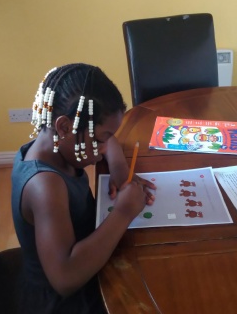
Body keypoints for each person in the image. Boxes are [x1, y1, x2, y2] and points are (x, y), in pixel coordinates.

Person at [11, 63, 156, 313]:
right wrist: (123, 212)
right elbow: (65, 278)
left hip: (86, 262)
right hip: (66, 300)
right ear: (64, 127)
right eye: (100, 140)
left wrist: (119, 169)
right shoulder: (45, 186)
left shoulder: (52, 144)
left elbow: (110, 140)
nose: (105, 147)